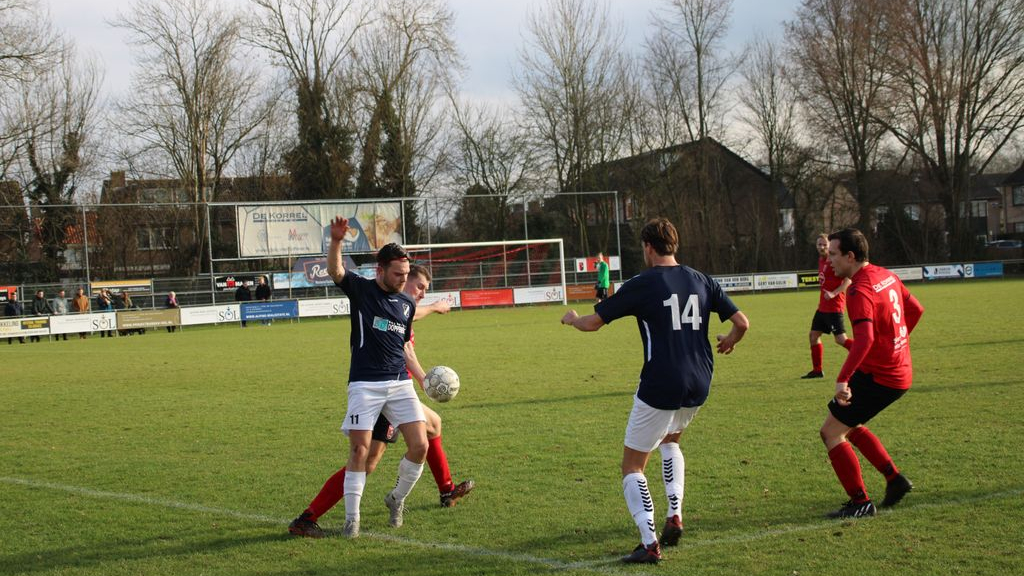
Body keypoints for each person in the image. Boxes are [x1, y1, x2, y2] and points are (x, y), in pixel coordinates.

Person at [560, 217, 749, 564]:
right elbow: (742, 323)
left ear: (648, 247)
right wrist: (730, 341)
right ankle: (675, 514)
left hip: (662, 381)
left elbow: (593, 323)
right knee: (671, 440)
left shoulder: (643, 283)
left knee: (632, 466)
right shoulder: (701, 279)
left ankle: (649, 543)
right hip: (700, 380)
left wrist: (572, 319)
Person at [289, 264, 474, 538]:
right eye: (418, 286)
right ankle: (309, 516)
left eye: (425, 289)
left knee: (432, 425)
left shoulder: (404, 309)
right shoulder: (388, 304)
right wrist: (427, 382)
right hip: (381, 392)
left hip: (397, 390)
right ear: (402, 281)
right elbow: (407, 350)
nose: (422, 293)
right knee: (366, 463)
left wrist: (433, 308)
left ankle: (446, 490)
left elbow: (413, 321)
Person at [297, 217, 426, 539]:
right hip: (365, 384)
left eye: (406, 274)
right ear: (380, 270)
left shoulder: (406, 304)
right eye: (397, 274)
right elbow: (336, 271)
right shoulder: (361, 290)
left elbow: (404, 345)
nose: (403, 280)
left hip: (399, 383)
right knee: (359, 452)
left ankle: (396, 499)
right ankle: (351, 521)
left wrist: (422, 378)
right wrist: (336, 241)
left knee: (420, 445)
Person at [819, 228, 923, 519]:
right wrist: (896, 343)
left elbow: (864, 340)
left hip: (881, 376)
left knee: (831, 432)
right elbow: (915, 309)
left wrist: (842, 379)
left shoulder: (858, 290)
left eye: (834, 255)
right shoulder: (885, 275)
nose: (829, 261)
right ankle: (894, 479)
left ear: (850, 256)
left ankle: (860, 502)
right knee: (847, 424)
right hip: (894, 370)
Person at [802, 233, 853, 379]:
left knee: (840, 339)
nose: (822, 247)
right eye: (819, 244)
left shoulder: (834, 260)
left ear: (830, 246)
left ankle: (866, 354)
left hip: (834, 308)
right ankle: (817, 370)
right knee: (813, 336)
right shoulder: (821, 260)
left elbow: (848, 280)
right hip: (822, 308)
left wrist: (834, 293)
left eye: (825, 244)